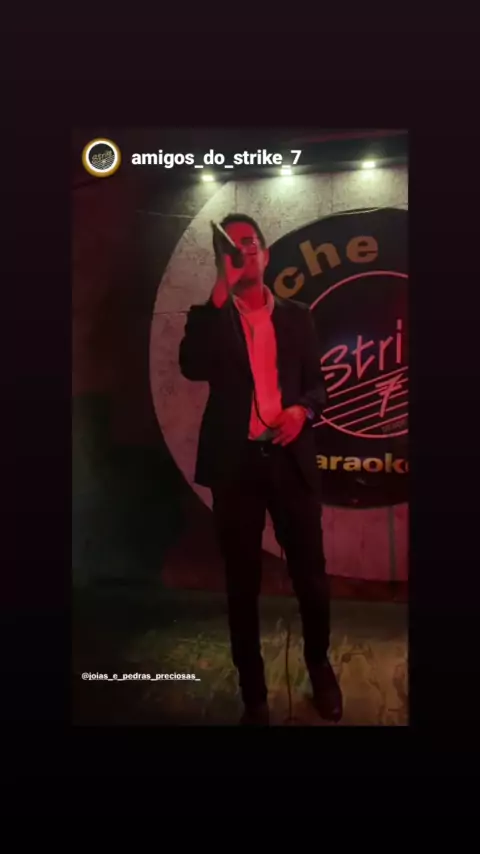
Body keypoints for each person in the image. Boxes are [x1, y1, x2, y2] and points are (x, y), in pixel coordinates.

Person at [179, 213, 342, 725]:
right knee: (241, 584)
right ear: (223, 258)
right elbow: (192, 365)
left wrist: (302, 411)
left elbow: (318, 387)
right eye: (231, 245)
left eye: (250, 242)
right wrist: (219, 291)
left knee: (311, 577)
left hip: (290, 462)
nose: (243, 250)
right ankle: (253, 692)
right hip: (236, 468)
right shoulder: (211, 316)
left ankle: (319, 667)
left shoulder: (298, 316)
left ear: (266, 254)